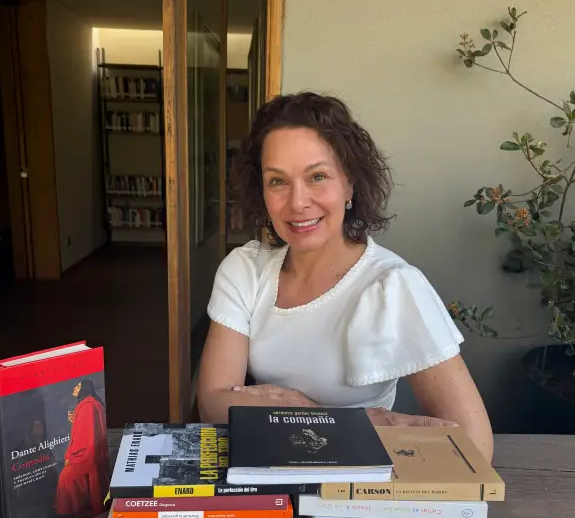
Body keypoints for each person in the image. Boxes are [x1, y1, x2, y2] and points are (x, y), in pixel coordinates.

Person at [197, 92, 494, 462]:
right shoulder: (245, 269)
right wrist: (339, 420)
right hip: (269, 470)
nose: (298, 202)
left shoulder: (394, 286)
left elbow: (475, 447)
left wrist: (306, 416)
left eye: (318, 176)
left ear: (350, 183)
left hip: (357, 482)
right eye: (277, 181)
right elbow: (213, 405)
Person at [55, 378, 109, 517]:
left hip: (86, 455)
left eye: (78, 386)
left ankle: (72, 512)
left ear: (84, 388)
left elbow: (82, 437)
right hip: (94, 453)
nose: (74, 388)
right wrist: (75, 421)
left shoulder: (86, 406)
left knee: (65, 477)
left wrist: (70, 456)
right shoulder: (92, 404)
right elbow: (87, 430)